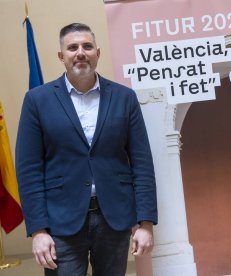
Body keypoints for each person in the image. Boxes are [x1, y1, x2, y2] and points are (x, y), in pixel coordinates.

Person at [15, 23, 157, 276]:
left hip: (114, 219)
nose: (80, 52)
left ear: (97, 52)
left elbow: (142, 163)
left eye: (87, 46)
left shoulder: (125, 98)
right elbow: (28, 170)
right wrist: (37, 230)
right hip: (61, 222)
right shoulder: (37, 100)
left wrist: (145, 223)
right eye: (72, 47)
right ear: (61, 56)